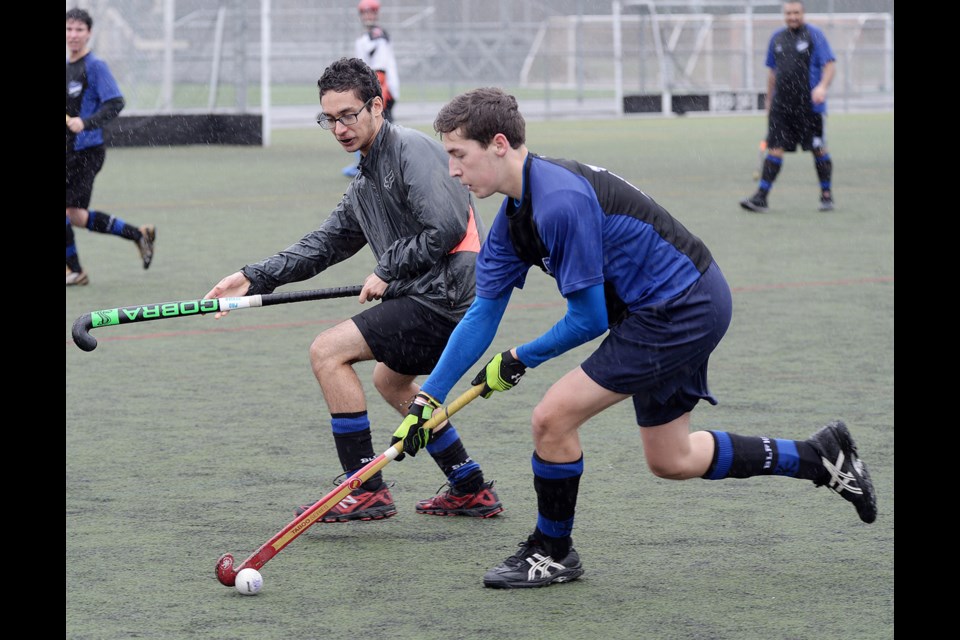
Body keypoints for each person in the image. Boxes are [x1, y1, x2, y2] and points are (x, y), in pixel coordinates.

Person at [389, 86, 876, 589]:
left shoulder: (558, 201)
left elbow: (588, 319)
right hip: (662, 307)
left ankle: (553, 551)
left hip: (681, 306)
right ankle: (819, 457)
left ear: (497, 144)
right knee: (672, 459)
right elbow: (482, 315)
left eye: (457, 155)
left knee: (552, 418)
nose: (452, 171)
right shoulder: (513, 220)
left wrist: (517, 358)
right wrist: (428, 399)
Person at [204, 58, 502, 524]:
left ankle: (364, 489)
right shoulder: (365, 176)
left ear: (376, 107)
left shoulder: (410, 150)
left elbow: (444, 226)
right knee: (391, 381)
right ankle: (469, 486)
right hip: (423, 296)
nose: (340, 128)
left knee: (327, 352)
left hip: (448, 299)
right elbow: (325, 244)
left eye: (348, 115)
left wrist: (389, 267)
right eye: (330, 118)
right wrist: (255, 276)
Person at [66, 7, 156, 286]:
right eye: (69, 29)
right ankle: (138, 234)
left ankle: (74, 271)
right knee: (77, 217)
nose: (73, 35)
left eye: (79, 29)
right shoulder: (67, 67)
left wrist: (86, 123)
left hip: (88, 150)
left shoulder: (95, 66)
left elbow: (116, 102)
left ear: (89, 33)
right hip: (70, 152)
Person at [740, 1, 836, 214]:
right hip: (781, 106)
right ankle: (761, 198)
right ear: (784, 14)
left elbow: (829, 65)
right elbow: (773, 72)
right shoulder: (777, 38)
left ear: (803, 13)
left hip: (809, 106)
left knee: (818, 149)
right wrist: (768, 99)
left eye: (796, 13)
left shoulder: (815, 35)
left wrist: (822, 87)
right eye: (789, 13)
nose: (793, 17)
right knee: (775, 148)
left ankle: (826, 195)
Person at [343, 0, 400, 178]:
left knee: (380, 129)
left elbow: (380, 69)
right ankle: (365, 163)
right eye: (365, 13)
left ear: (376, 14)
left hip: (382, 91)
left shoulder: (378, 37)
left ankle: (387, 167)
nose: (368, 16)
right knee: (368, 127)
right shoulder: (366, 37)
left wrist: (376, 95)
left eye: (371, 12)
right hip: (373, 89)